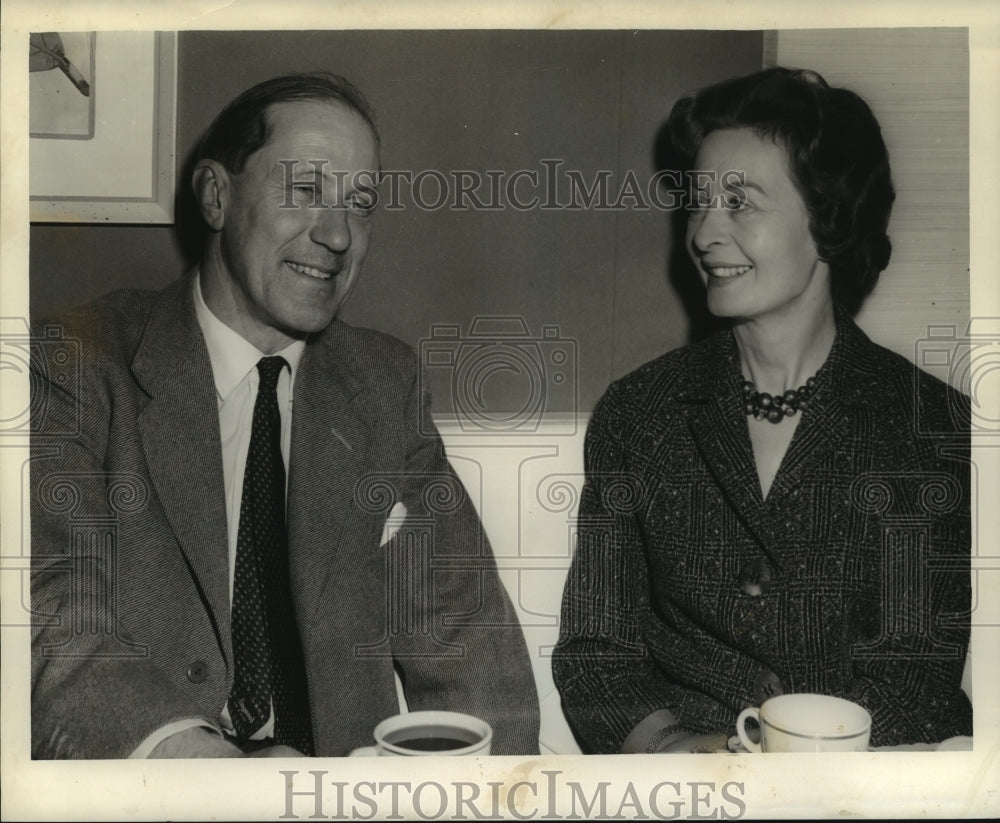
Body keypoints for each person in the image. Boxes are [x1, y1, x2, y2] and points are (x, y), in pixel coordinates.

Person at [30, 71, 540, 759]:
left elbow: (469, 646)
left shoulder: (383, 386)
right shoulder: (75, 365)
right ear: (216, 196)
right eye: (306, 190)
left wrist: (486, 787)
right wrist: (206, 768)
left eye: (360, 204)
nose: (337, 234)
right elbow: (53, 616)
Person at [551, 67, 972, 753]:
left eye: (740, 202)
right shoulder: (638, 413)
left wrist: (792, 766)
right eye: (699, 202)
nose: (704, 233)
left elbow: (918, 676)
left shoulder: (935, 426)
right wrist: (676, 749)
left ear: (828, 220)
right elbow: (599, 651)